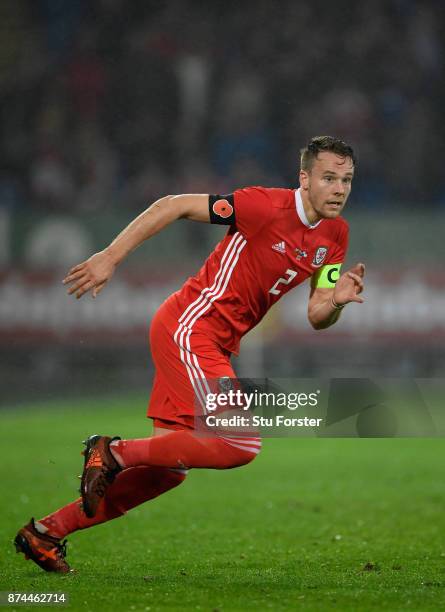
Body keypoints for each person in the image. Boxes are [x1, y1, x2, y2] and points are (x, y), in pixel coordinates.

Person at [15, 135, 365, 573]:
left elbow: (317, 313)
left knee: (167, 470)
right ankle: (113, 451)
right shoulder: (263, 207)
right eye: (329, 178)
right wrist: (109, 257)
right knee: (239, 442)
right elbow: (172, 205)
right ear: (305, 178)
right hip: (190, 327)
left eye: (346, 179)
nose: (339, 188)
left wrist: (335, 302)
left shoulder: (335, 235)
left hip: (211, 342)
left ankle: (45, 533)